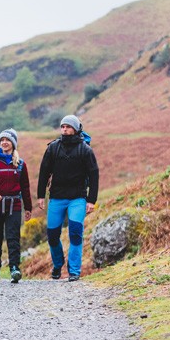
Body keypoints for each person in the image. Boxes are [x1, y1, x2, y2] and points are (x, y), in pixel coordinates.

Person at [36, 114, 99, 281]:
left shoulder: (85, 150)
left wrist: (91, 200)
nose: (64, 129)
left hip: (77, 198)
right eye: (62, 126)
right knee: (52, 235)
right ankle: (57, 265)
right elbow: (44, 172)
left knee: (76, 233)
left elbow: (94, 175)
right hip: (56, 198)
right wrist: (40, 196)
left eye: (68, 127)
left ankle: (74, 271)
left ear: (76, 129)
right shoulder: (53, 148)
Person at [0, 129, 32, 283]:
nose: (4, 142)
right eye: (2, 140)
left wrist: (28, 208)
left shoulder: (20, 164)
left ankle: (14, 268)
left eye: (7, 140)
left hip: (13, 206)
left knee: (13, 238)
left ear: (13, 143)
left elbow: (25, 187)